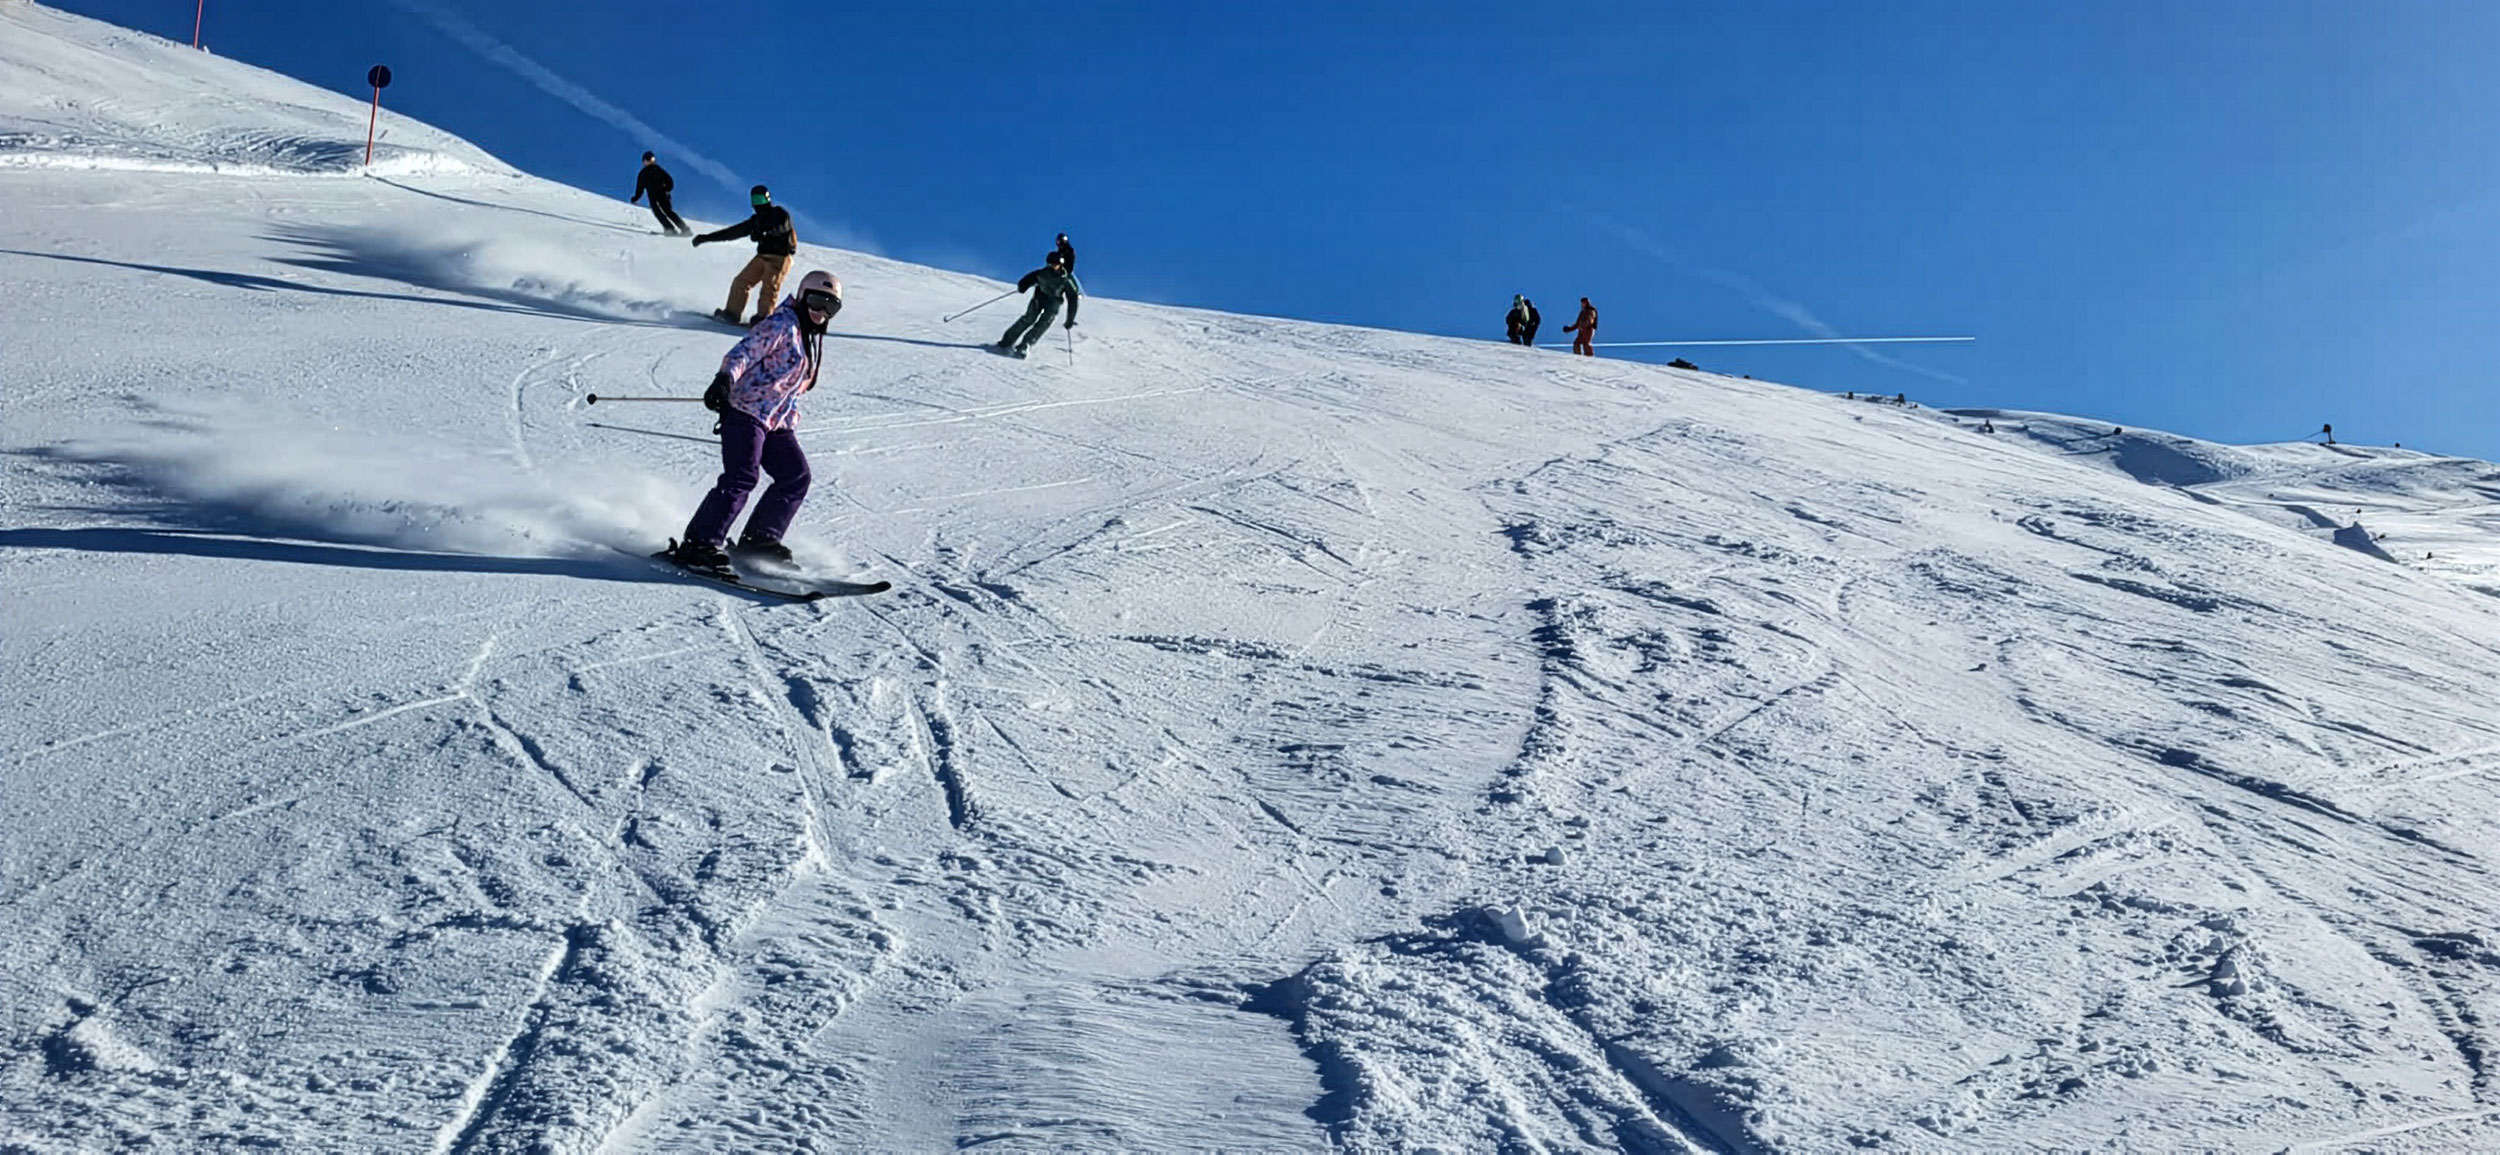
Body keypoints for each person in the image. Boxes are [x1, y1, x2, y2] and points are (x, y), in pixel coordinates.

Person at [667, 270, 845, 572]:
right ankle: (700, 543)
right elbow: (743, 353)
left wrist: (787, 420)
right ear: (802, 296)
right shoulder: (782, 325)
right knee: (742, 476)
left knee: (796, 476)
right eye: (816, 301)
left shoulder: (809, 338)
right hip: (745, 411)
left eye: (831, 306)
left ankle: (759, 539)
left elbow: (791, 387)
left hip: (775, 422)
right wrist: (724, 379)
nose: (821, 311)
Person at [692, 184, 797, 326]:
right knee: (741, 282)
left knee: (770, 285)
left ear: (768, 199)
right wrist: (706, 238)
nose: (758, 204)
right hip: (762, 256)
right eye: (755, 200)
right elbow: (732, 232)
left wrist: (767, 231)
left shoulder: (779, 213)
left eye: (760, 199)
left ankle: (764, 319)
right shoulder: (756, 221)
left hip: (780, 257)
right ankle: (732, 314)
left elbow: (782, 226)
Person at [994, 249, 1082, 358]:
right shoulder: (1043, 273)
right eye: (1051, 264)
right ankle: (1006, 341)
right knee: (1028, 318)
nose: (1053, 267)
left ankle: (1025, 344)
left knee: (1045, 322)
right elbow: (1029, 278)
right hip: (1040, 298)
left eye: (1056, 264)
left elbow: (1072, 300)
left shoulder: (1066, 279)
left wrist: (1070, 320)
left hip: (1054, 301)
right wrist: (1023, 286)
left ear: (1061, 265)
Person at [630, 151, 688, 236]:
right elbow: (640, 188)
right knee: (658, 213)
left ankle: (685, 229)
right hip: (653, 198)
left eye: (652, 159)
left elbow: (669, 180)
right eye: (648, 160)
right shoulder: (643, 174)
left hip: (663, 195)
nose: (650, 161)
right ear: (644, 161)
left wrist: (667, 189)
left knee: (668, 212)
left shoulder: (658, 170)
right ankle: (670, 229)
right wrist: (635, 198)